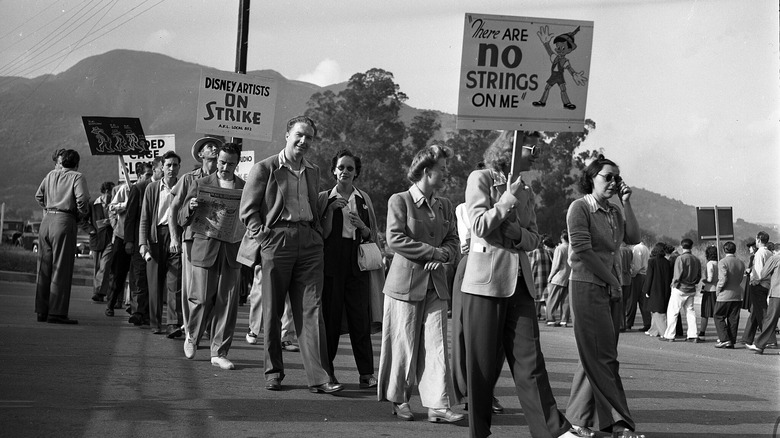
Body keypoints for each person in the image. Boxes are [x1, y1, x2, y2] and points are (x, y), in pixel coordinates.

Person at [460, 131, 576, 438]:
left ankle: (553, 431)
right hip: (485, 283)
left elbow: (535, 238)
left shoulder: (527, 188)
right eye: (532, 145)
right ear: (510, 147)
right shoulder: (480, 178)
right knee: (482, 367)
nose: (537, 152)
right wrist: (506, 200)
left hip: (521, 285)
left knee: (531, 362)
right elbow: (479, 226)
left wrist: (515, 234)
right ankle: (479, 432)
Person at [237, 115, 341, 394]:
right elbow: (247, 211)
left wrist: (317, 234)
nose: (304, 141)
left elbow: (314, 206)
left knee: (312, 309)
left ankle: (319, 377)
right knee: (271, 311)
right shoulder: (265, 168)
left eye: (309, 137)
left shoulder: (313, 171)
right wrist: (265, 237)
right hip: (277, 240)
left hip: (309, 242)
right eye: (299, 135)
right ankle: (273, 372)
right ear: (287, 135)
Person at [377, 144, 463, 424]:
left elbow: (453, 241)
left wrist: (445, 254)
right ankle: (399, 399)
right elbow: (395, 239)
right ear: (427, 171)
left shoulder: (445, 205)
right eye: (442, 169)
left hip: (436, 285)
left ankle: (438, 406)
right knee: (403, 344)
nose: (446, 174)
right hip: (404, 285)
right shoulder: (399, 200)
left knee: (437, 345)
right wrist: (432, 252)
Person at [565, 154, 644, 438]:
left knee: (594, 354)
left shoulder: (613, 212)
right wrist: (612, 280)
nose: (613, 182)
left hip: (611, 288)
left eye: (616, 177)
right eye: (607, 177)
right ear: (591, 178)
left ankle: (576, 423)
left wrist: (627, 201)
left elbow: (633, 238)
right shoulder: (579, 208)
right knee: (603, 356)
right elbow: (583, 251)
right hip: (587, 286)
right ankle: (621, 423)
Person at [317, 149, 380, 388]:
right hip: (331, 263)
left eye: (350, 168)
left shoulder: (363, 199)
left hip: (357, 263)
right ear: (334, 170)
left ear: (356, 173)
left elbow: (371, 235)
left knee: (359, 319)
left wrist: (362, 226)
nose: (345, 172)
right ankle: (328, 373)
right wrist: (331, 211)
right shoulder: (324, 198)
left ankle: (366, 373)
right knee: (330, 320)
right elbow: (320, 235)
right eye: (341, 167)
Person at [180, 143, 245, 370]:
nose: (225, 167)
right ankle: (192, 337)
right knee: (200, 298)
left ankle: (219, 351)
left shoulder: (244, 188)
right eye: (222, 162)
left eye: (230, 163)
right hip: (205, 247)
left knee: (226, 303)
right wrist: (191, 207)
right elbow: (181, 218)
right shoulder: (201, 184)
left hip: (232, 250)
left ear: (237, 164)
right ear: (216, 161)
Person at [168, 136, 223, 338]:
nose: (214, 148)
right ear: (201, 154)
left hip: (217, 239)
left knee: (214, 288)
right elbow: (173, 210)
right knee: (192, 287)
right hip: (192, 238)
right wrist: (175, 238)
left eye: (217, 146)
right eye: (209, 146)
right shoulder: (188, 179)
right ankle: (190, 329)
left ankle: (206, 326)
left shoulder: (225, 180)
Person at [34, 149, 91, 324]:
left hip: (47, 221)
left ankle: (42, 310)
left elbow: (39, 196)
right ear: (77, 163)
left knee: (44, 267)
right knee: (61, 267)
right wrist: (81, 214)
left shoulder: (51, 174)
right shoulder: (77, 177)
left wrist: (49, 206)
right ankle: (57, 312)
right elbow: (82, 199)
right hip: (64, 220)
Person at [140, 151, 183, 337]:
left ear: (179, 167)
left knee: (175, 283)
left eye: (175, 165)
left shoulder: (184, 186)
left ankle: (173, 323)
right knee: (155, 282)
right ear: (161, 167)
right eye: (168, 165)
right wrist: (143, 243)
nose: (172, 169)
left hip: (176, 237)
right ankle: (155, 322)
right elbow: (145, 217)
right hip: (156, 237)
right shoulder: (152, 188)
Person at [124, 160, 159, 327]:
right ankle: (138, 311)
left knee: (152, 277)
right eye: (150, 173)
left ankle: (148, 312)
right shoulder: (138, 188)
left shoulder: (166, 189)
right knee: (139, 276)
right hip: (140, 239)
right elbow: (130, 217)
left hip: (158, 240)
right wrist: (129, 240)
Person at [661, 238, 702, 342]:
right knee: (690, 312)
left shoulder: (680, 258)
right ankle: (693, 335)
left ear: (681, 246)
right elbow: (699, 276)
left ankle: (669, 335)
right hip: (691, 289)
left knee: (673, 311)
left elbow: (677, 275)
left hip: (680, 288)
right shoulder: (696, 259)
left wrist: (673, 285)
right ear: (691, 247)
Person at [742, 231, 773, 347]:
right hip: (767, 284)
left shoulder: (759, 253)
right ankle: (747, 338)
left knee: (762, 313)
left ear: (759, 240)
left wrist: (754, 281)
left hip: (759, 285)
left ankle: (770, 339)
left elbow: (759, 272)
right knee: (756, 311)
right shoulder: (769, 253)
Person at [749, 244, 780, 354]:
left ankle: (760, 344)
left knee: (770, 319)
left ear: (776, 250)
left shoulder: (775, 259)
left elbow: (763, 273)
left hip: (777, 293)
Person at [714, 241, 745, 349]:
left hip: (725, 294)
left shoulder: (723, 262)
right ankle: (731, 340)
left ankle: (724, 339)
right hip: (737, 294)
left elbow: (723, 278)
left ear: (724, 250)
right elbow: (741, 278)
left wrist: (718, 290)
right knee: (733, 318)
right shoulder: (741, 263)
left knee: (718, 315)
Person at [89, 181, 115, 302]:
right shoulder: (93, 205)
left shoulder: (115, 204)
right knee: (97, 266)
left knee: (105, 265)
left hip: (110, 238)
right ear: (106, 191)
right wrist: (91, 230)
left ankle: (99, 291)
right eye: (111, 192)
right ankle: (98, 291)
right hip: (97, 238)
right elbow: (83, 220)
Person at [642, 243, 672, 337]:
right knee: (656, 310)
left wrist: (646, 290)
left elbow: (649, 277)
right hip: (665, 288)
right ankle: (653, 330)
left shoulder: (652, 261)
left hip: (654, 289)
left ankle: (664, 333)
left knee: (657, 311)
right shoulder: (667, 262)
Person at [546, 229, 572, 326]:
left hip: (559, 277)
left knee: (552, 299)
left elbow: (556, 265)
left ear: (561, 238)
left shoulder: (560, 248)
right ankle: (564, 320)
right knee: (566, 300)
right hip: (569, 276)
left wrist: (550, 276)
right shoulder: (572, 248)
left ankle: (551, 319)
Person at [626, 240, 650, 331]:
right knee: (643, 301)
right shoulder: (646, 248)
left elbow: (637, 265)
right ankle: (647, 322)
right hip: (644, 275)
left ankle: (628, 322)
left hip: (637, 276)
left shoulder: (636, 249)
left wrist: (632, 275)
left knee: (632, 300)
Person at [530, 236, 554, 320]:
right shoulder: (548, 252)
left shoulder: (533, 253)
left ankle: (537, 313)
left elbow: (531, 266)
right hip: (547, 277)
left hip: (537, 277)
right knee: (546, 297)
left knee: (536, 297)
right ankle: (549, 316)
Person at [698, 245, 719, 339]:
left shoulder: (710, 264)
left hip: (709, 290)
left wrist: (704, 280)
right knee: (718, 313)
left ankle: (702, 333)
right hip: (717, 290)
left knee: (705, 313)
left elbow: (710, 278)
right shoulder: (719, 263)